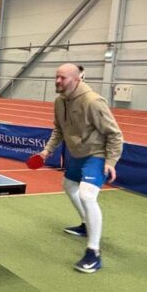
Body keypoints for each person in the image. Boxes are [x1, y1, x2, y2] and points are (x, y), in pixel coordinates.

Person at [38, 63, 123, 273]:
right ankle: (86, 224)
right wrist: (47, 151)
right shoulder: (60, 101)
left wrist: (111, 162)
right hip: (76, 153)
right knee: (69, 186)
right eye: (57, 76)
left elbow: (115, 134)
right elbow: (59, 129)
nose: (58, 81)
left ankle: (94, 253)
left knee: (87, 196)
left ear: (77, 79)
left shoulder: (93, 101)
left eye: (63, 78)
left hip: (96, 154)